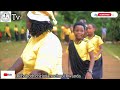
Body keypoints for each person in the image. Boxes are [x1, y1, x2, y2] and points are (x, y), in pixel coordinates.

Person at [8, 11, 63, 79]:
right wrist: (5, 75)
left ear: (34, 24)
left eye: (27, 21)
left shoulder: (50, 41)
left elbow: (39, 73)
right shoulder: (34, 38)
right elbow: (23, 60)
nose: (26, 25)